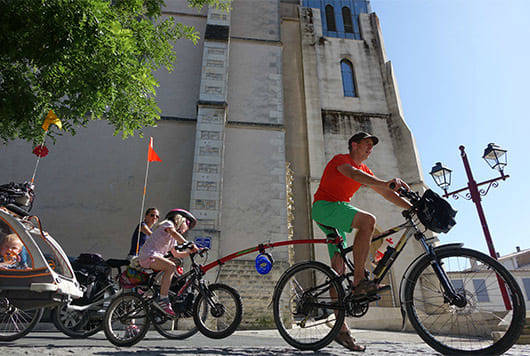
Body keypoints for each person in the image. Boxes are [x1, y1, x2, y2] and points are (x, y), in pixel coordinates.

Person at [312, 131, 412, 352]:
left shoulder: (366, 170)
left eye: (372, 145)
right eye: (366, 144)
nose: (370, 148)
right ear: (354, 145)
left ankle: (341, 329)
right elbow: (355, 176)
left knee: (337, 270)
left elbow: (385, 193)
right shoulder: (341, 160)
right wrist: (386, 182)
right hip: (325, 207)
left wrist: (411, 207)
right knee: (368, 220)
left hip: (339, 210)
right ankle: (359, 282)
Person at [137, 209, 199, 317]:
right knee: (171, 266)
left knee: (172, 263)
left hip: (154, 256)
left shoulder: (173, 239)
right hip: (148, 255)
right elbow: (174, 233)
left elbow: (176, 254)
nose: (187, 228)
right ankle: (163, 299)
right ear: (180, 220)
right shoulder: (168, 224)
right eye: (187, 224)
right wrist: (189, 244)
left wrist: (191, 252)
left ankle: (147, 289)